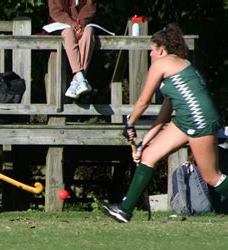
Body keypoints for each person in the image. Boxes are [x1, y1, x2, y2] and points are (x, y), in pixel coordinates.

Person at [99, 23, 226, 223]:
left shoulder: (162, 64)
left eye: (151, 50)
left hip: (199, 120)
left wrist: (129, 122)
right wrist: (142, 144)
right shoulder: (176, 69)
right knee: (149, 155)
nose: (150, 55)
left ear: (161, 49)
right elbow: (163, 117)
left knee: (212, 177)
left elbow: (143, 101)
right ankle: (124, 211)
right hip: (184, 120)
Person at [48, 0, 97, 99]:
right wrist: (71, 23)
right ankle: (80, 76)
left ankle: (76, 82)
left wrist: (81, 23)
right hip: (63, 24)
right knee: (68, 33)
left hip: (83, 24)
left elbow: (90, 7)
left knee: (89, 32)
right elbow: (55, 11)